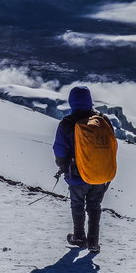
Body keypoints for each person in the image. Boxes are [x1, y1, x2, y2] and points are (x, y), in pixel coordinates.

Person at [52, 86, 111, 253]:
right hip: (100, 173)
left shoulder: (67, 123)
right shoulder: (102, 121)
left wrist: (62, 165)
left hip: (77, 174)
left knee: (77, 204)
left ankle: (79, 236)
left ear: (72, 101)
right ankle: (93, 242)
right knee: (94, 206)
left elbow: (60, 149)